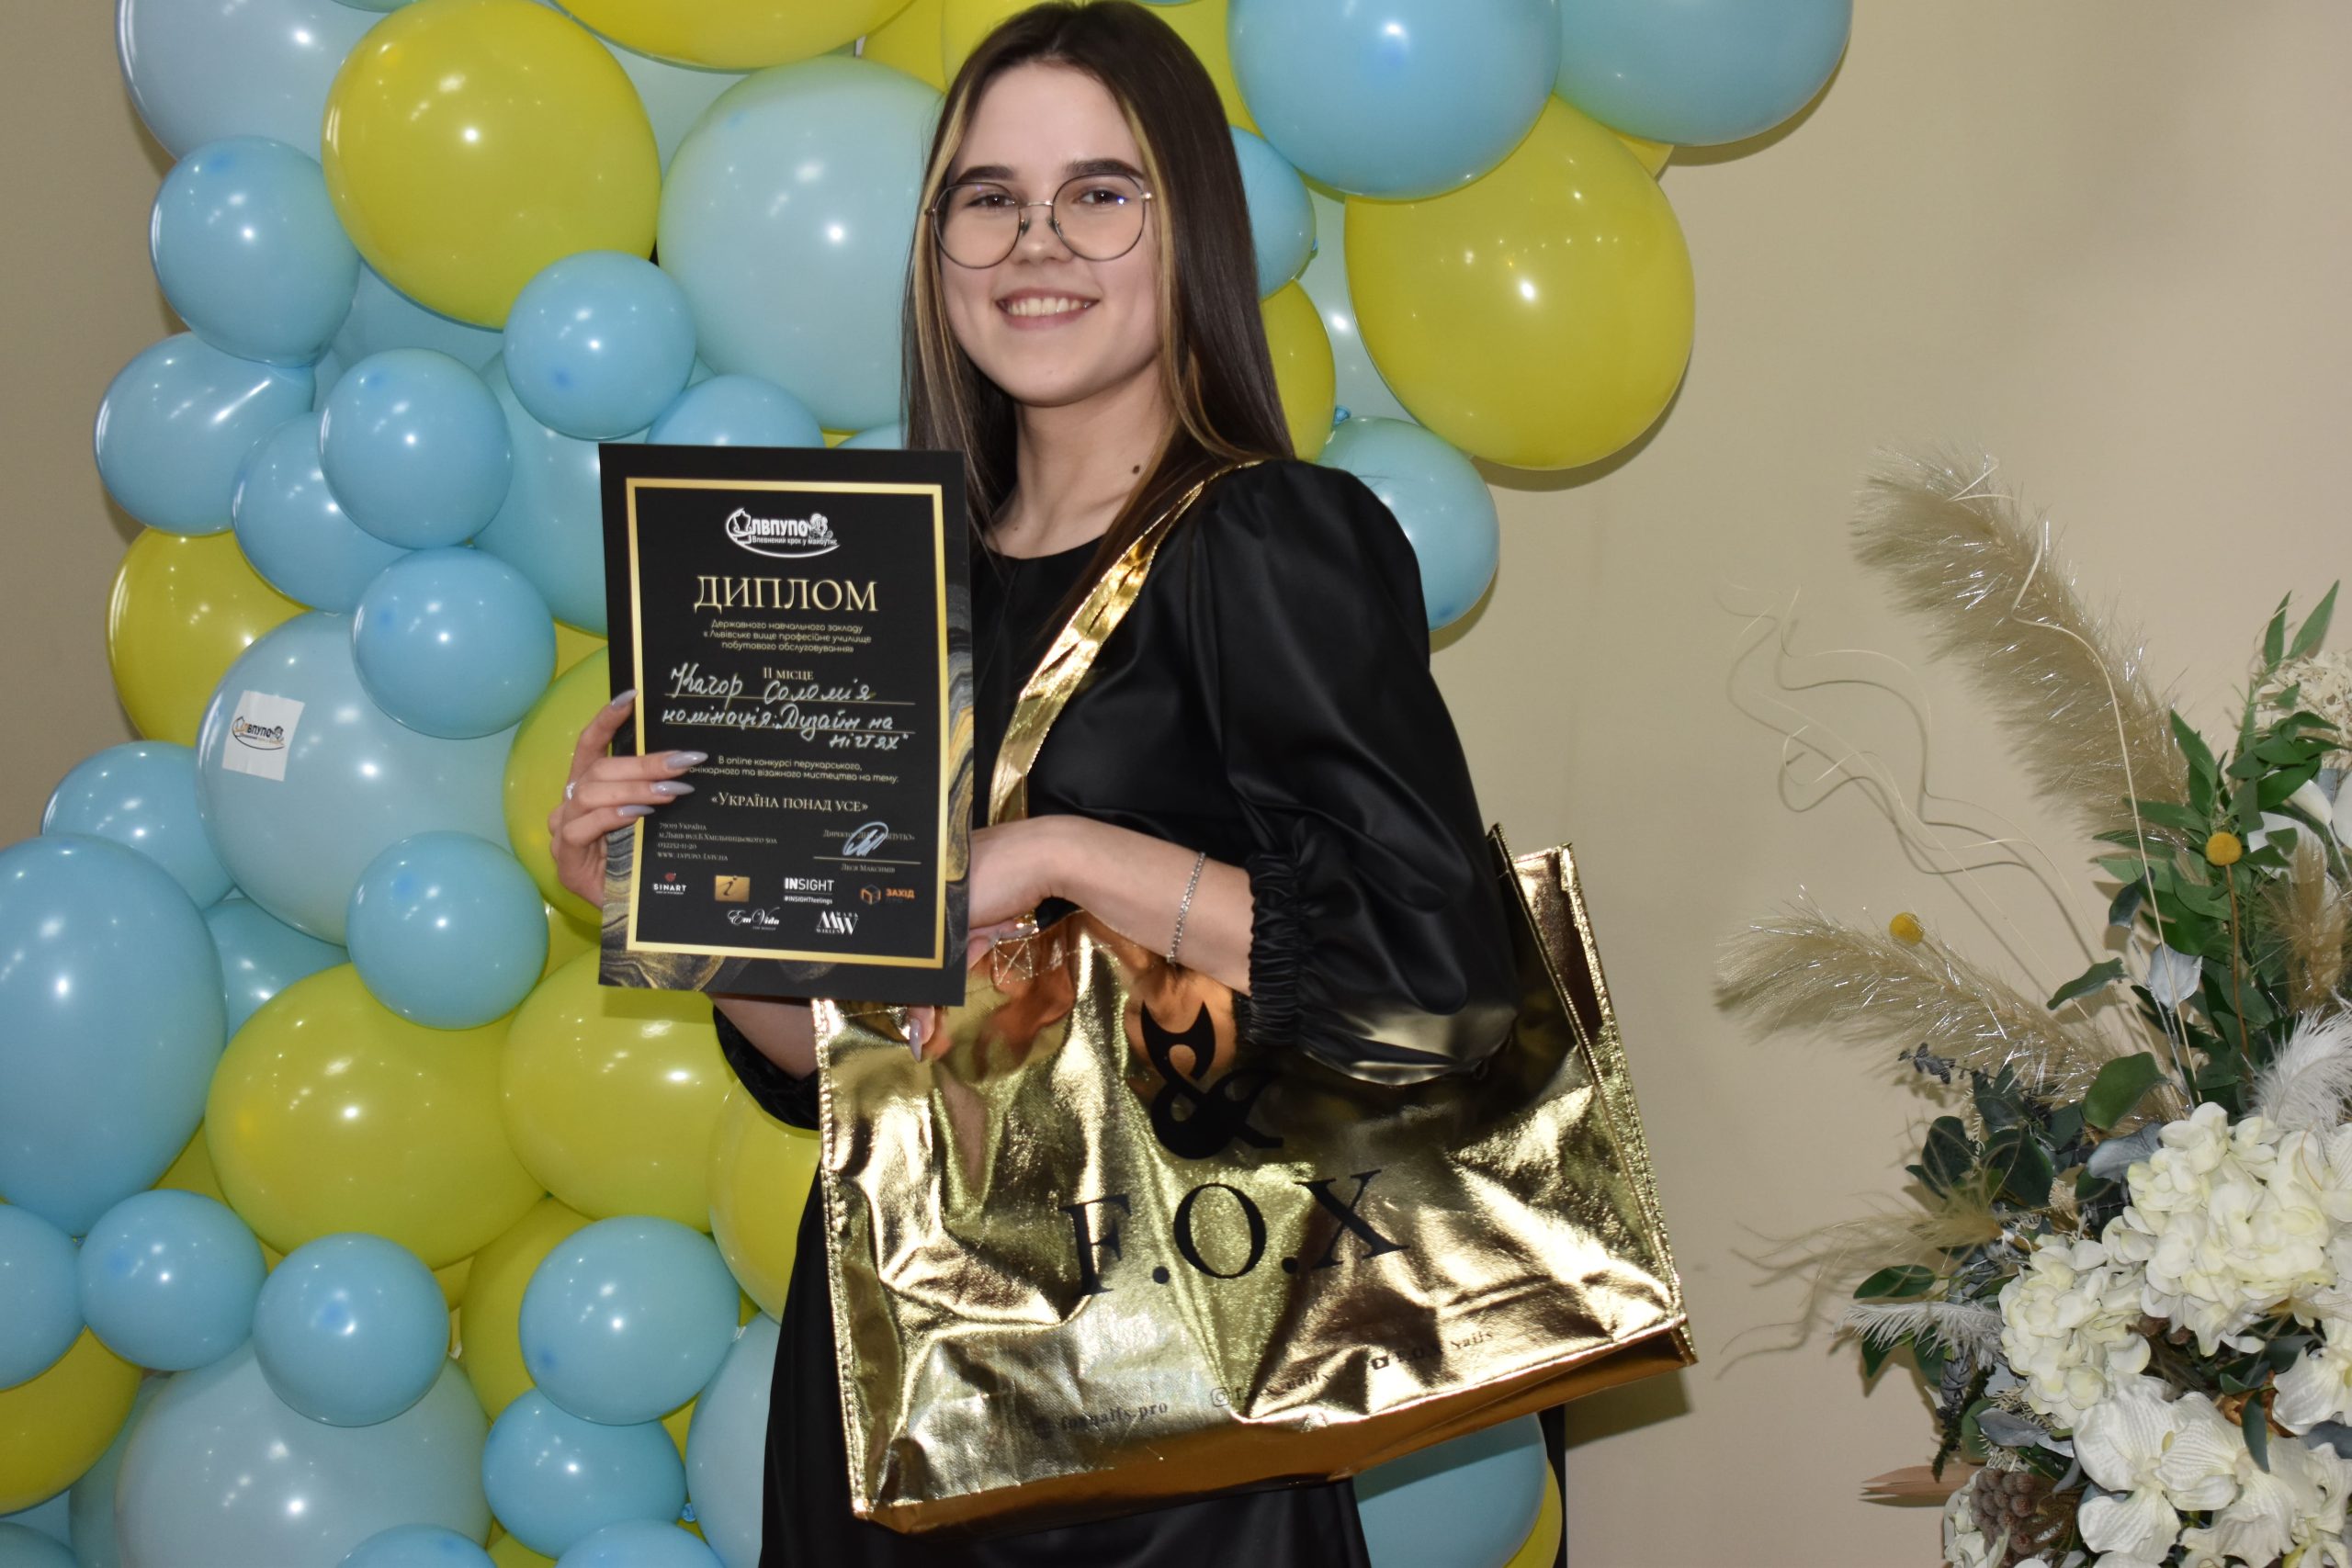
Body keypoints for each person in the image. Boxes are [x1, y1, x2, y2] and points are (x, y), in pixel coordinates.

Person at [546, 5, 1520, 1562]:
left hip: (1167, 1427)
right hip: (888, 1389)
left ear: (1188, 230)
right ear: (936, 250)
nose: (1034, 243)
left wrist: (1059, 854)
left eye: (1099, 193)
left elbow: (1436, 983)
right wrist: (685, 904)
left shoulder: (1269, 539)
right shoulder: (886, 588)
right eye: (987, 198)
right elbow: (842, 1064)